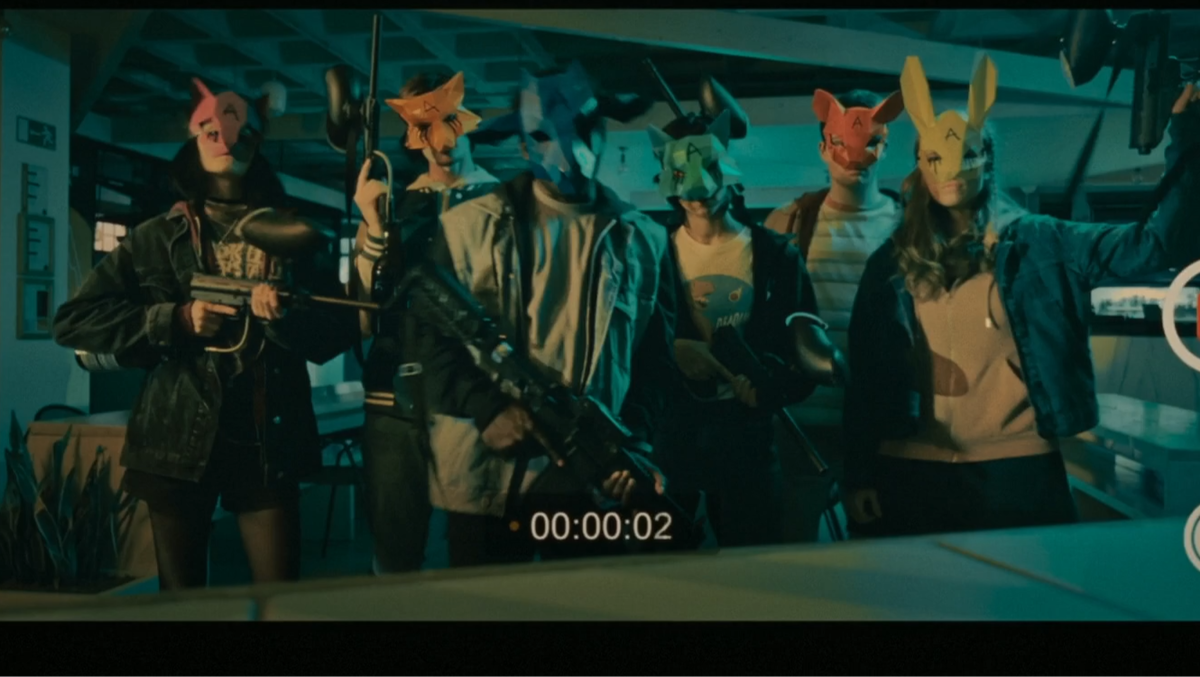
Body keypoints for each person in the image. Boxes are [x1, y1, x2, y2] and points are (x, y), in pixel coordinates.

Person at [842, 55, 1200, 538]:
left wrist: (1187, 136)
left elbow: (1154, 244)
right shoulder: (890, 263)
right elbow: (866, 373)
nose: (951, 169)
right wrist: (859, 471)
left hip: (1015, 469)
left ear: (987, 160)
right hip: (910, 470)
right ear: (921, 166)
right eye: (936, 158)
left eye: (967, 154)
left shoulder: (1040, 243)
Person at [52, 78, 358, 590]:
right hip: (176, 439)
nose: (226, 142)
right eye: (212, 131)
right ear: (194, 139)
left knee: (279, 600)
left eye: (240, 133)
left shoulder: (292, 234)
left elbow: (338, 331)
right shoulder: (157, 236)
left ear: (257, 143)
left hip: (267, 437)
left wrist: (283, 318)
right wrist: (175, 319)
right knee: (183, 603)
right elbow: (73, 321)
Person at [408, 62, 677, 567]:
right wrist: (487, 409)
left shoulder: (645, 240)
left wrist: (631, 445)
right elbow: (429, 342)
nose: (567, 151)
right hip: (486, 473)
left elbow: (654, 364)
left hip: (588, 479)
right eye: (544, 136)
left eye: (582, 130)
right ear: (524, 145)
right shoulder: (468, 227)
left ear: (601, 131)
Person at [647, 105, 839, 548]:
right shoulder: (652, 254)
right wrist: (672, 352)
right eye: (683, 175)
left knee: (753, 570)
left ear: (728, 169)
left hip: (749, 446)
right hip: (674, 443)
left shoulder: (775, 256)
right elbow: (634, 351)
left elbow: (802, 353)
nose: (698, 191)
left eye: (709, 170)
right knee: (667, 574)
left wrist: (770, 387)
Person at [350, 71, 500, 575]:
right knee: (395, 553)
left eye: (450, 122)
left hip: (476, 397)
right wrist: (374, 227)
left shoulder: (502, 206)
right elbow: (365, 318)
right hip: (396, 399)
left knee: (477, 553)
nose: (442, 141)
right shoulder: (392, 205)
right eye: (425, 128)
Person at [763, 88, 905, 530]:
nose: (854, 157)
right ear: (824, 146)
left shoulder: (910, 226)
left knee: (879, 553)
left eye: (870, 142)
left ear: (885, 145)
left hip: (882, 427)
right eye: (841, 142)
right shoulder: (787, 222)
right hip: (801, 422)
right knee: (797, 551)